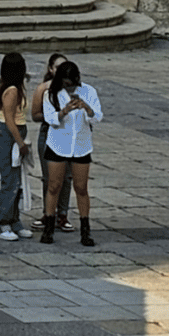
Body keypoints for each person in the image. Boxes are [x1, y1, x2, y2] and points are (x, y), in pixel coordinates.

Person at [39, 61, 102, 246]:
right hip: (59, 143)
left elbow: (97, 117)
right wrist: (64, 111)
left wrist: (87, 108)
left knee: (81, 188)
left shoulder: (88, 91)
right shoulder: (50, 94)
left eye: (73, 83)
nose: (70, 87)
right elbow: (50, 119)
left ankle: (85, 229)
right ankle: (49, 226)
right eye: (67, 83)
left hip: (81, 145)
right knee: (54, 186)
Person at [0, 53, 33, 241]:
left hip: (16, 132)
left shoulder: (13, 86)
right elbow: (9, 119)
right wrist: (20, 142)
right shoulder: (12, 90)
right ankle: (0, 223)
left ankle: (14, 220)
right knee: (9, 182)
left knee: (18, 181)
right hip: (9, 135)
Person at [31, 53, 75, 233]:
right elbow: (35, 115)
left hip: (69, 135)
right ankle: (48, 212)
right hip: (49, 133)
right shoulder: (43, 89)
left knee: (67, 176)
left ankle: (63, 214)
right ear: (50, 69)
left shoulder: (72, 88)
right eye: (57, 67)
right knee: (49, 178)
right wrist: (54, 115)